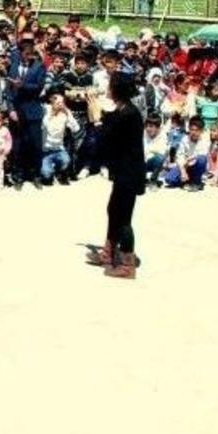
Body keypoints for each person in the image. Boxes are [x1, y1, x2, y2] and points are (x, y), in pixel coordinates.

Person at [86, 72, 145, 279]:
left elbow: (107, 136)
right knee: (113, 210)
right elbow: (112, 119)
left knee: (123, 218)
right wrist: (95, 106)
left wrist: (96, 120)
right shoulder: (124, 110)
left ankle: (128, 265)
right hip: (123, 171)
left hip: (129, 173)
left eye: (111, 85)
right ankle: (108, 253)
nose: (108, 88)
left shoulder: (129, 114)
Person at [7, 39, 47, 188]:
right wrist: (11, 109)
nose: (29, 57)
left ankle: (36, 175)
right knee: (18, 146)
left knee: (36, 145)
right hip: (17, 112)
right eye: (26, 54)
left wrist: (22, 85)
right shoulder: (13, 67)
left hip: (33, 112)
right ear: (21, 53)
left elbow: (39, 87)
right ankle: (18, 176)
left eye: (32, 54)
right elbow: (8, 91)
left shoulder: (39, 66)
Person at [40, 93, 81, 186]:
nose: (61, 105)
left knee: (66, 160)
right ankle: (49, 171)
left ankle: (58, 173)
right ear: (52, 103)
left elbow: (76, 129)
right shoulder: (46, 111)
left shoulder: (65, 114)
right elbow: (44, 126)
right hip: (46, 151)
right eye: (58, 102)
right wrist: (52, 114)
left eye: (62, 102)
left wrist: (68, 115)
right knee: (46, 175)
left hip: (59, 149)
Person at [164, 116, 210, 191]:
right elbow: (179, 156)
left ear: (201, 131)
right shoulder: (184, 139)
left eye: (196, 130)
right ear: (189, 129)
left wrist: (187, 161)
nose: (194, 132)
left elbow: (200, 156)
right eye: (192, 130)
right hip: (185, 165)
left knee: (202, 159)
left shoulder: (205, 140)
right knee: (169, 179)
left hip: (195, 166)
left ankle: (196, 182)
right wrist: (183, 171)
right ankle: (187, 181)